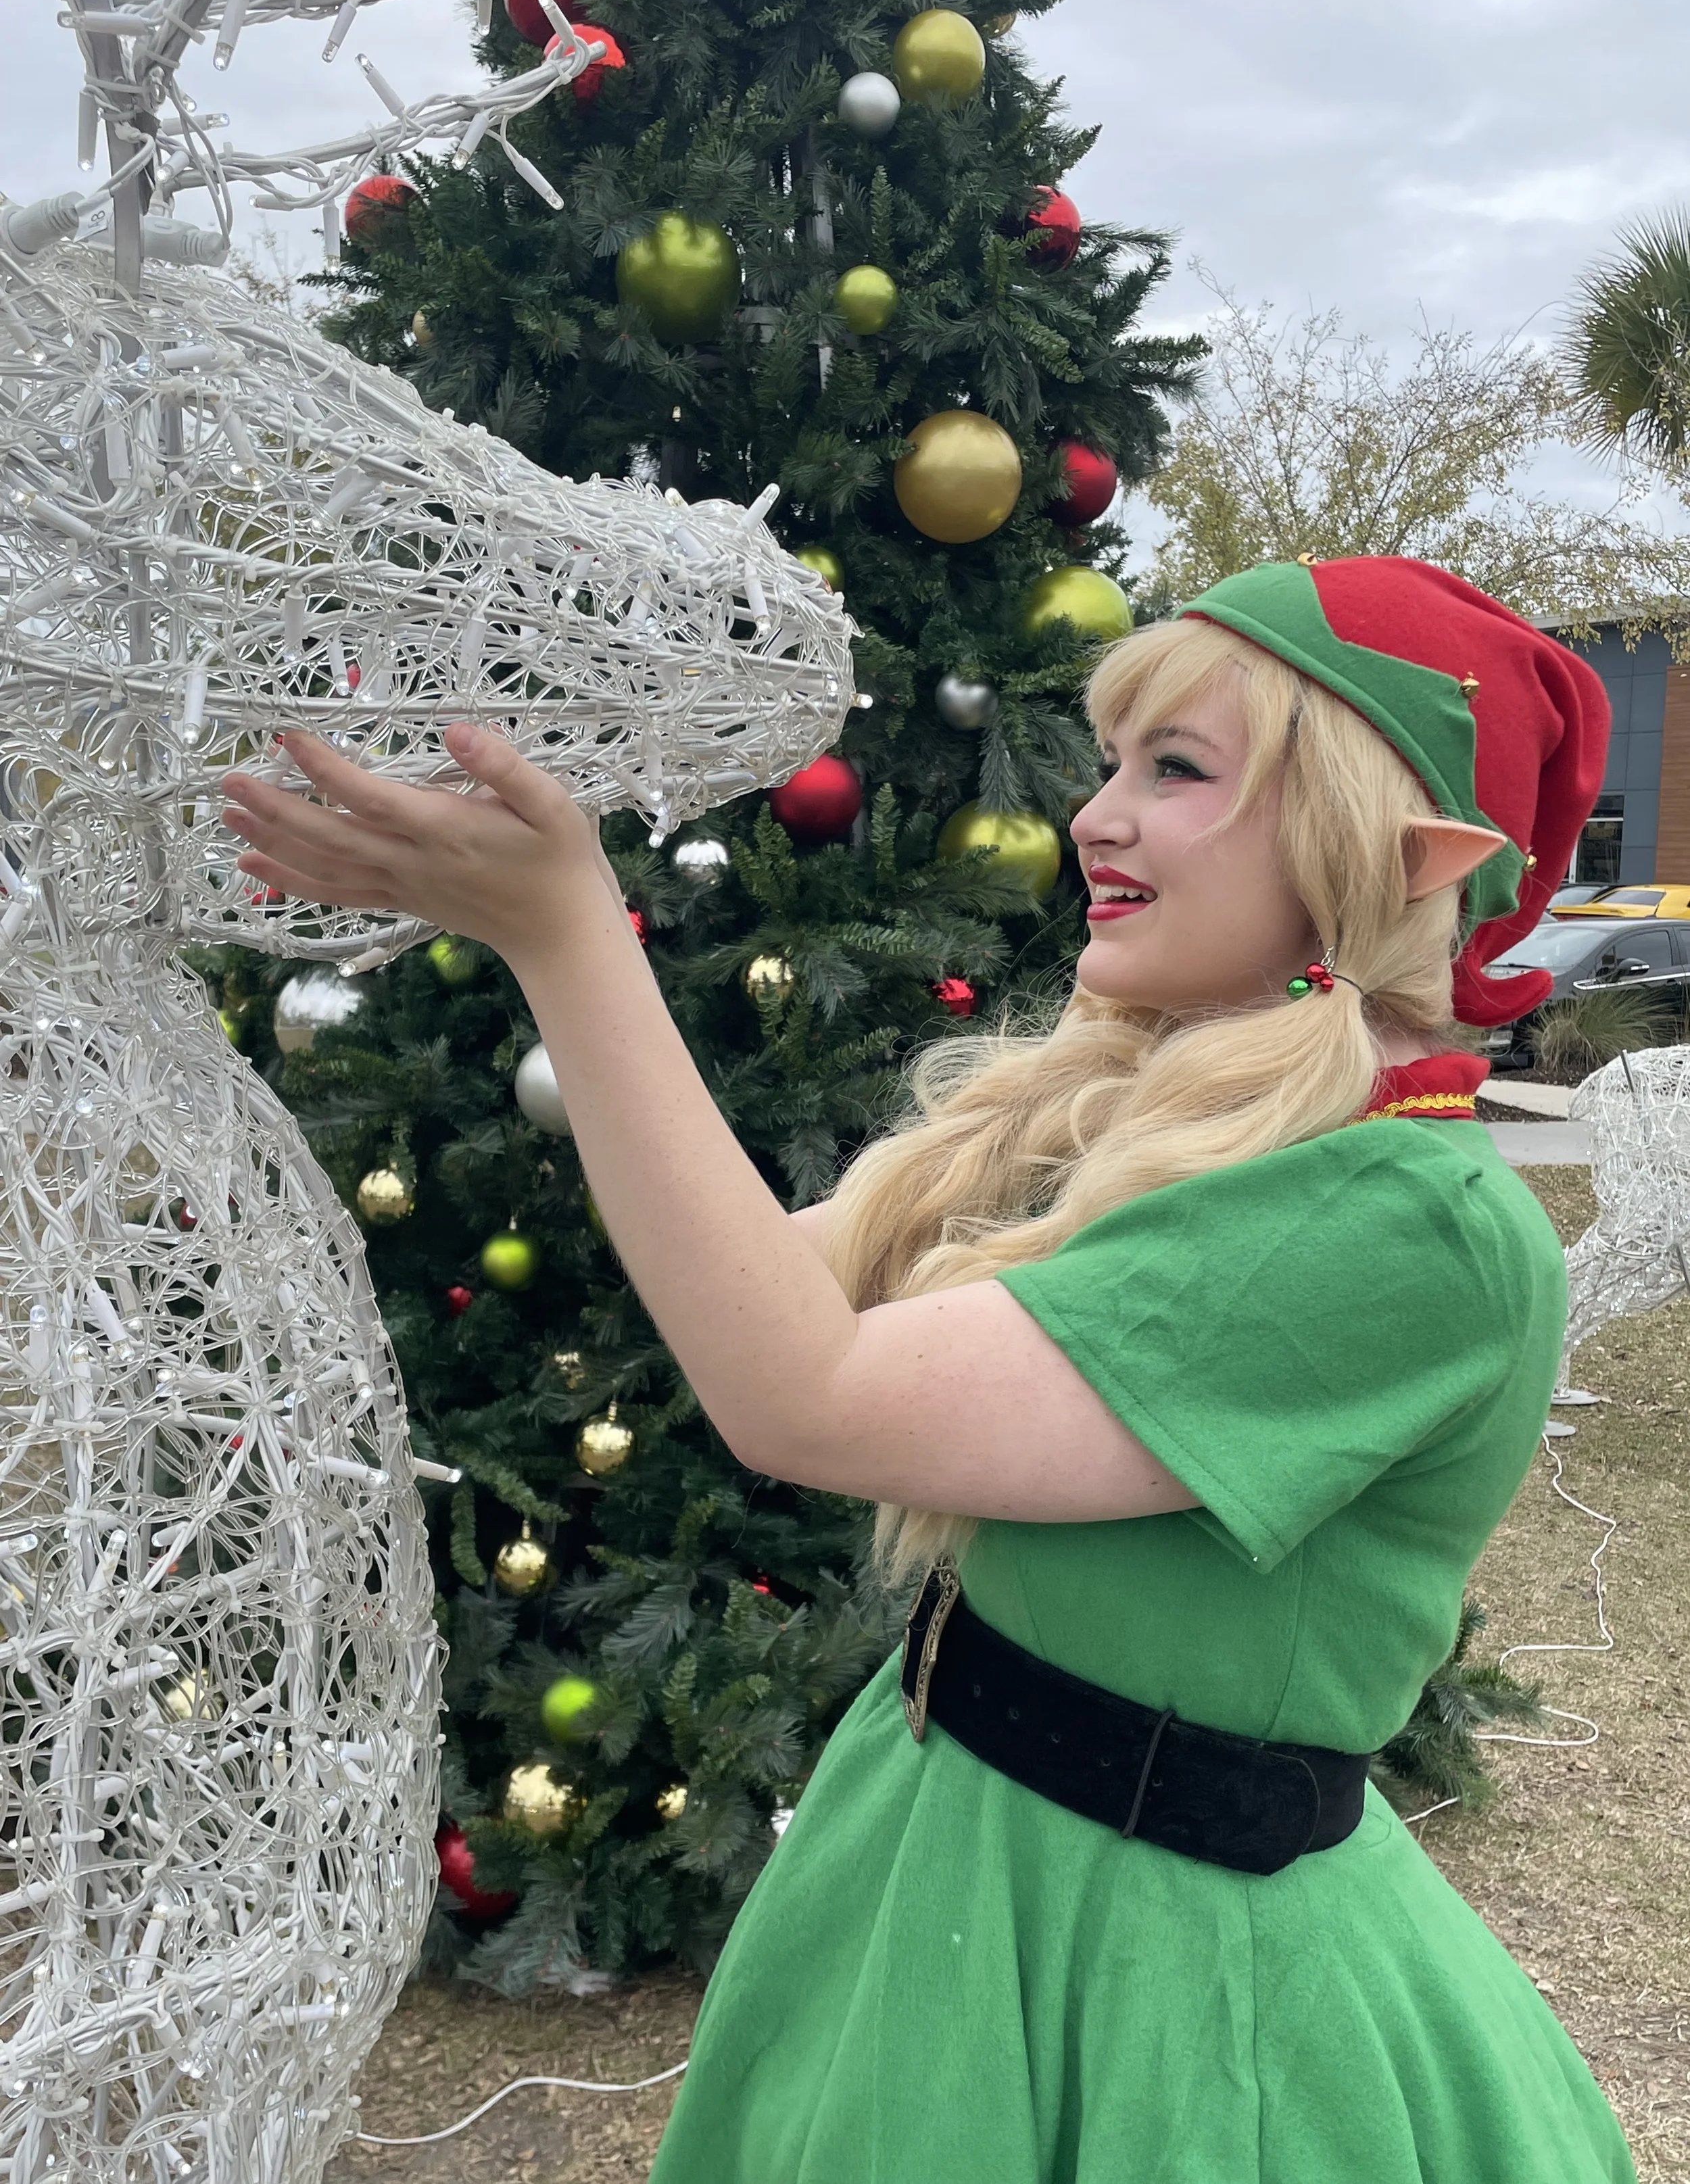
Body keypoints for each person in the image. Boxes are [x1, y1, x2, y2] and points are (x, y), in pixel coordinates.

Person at [221, 554, 1637, 2183]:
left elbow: (799, 1396)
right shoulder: (1228, 1137)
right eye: (1112, 761)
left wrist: (564, 930)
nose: (1093, 818)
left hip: (1162, 1992)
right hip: (961, 1859)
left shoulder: (1407, 1217)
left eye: (1172, 770)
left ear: (1401, 857)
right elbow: (751, 1292)